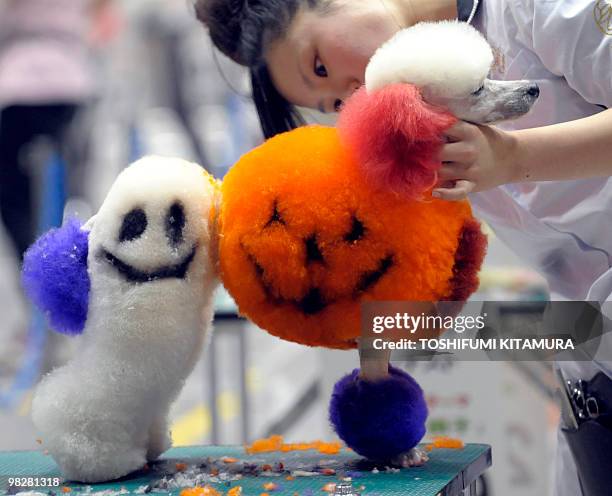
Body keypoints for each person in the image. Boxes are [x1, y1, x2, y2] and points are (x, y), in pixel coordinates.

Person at [194, 0, 612, 494]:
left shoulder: (528, 9)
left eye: (320, 65)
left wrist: (514, 157)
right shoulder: (421, 112)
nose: (352, 94)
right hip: (591, 380)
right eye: (332, 104)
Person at [0, 0, 112, 258]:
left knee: (11, 187)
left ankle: (28, 259)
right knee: (74, 178)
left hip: (18, 81)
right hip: (71, 80)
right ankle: (70, 249)